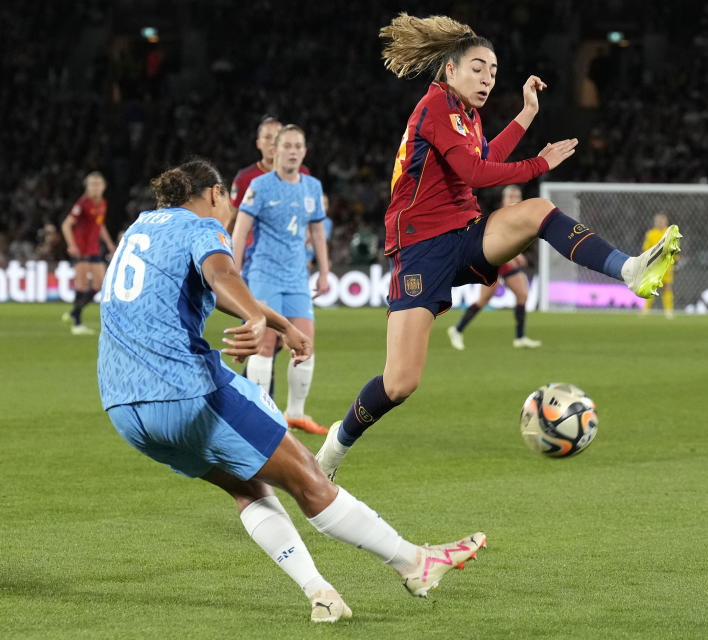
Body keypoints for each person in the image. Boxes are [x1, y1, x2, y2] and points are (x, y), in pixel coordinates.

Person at [97, 159, 485, 624]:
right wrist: (257, 319)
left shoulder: (139, 230)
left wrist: (277, 324)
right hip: (184, 391)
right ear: (216, 195)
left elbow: (207, 287)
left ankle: (321, 593)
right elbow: (222, 276)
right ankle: (413, 563)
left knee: (248, 486)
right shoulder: (201, 226)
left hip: (123, 407)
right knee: (308, 477)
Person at [314, 14, 681, 480]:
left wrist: (527, 114)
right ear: (450, 70)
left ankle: (628, 269)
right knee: (400, 382)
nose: (488, 78)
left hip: (464, 235)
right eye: (478, 68)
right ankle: (332, 451)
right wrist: (539, 163)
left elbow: (485, 159)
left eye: (493, 71)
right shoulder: (434, 108)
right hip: (421, 249)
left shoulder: (465, 116)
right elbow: (475, 174)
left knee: (535, 212)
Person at [232, 125, 330, 436]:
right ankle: (258, 413)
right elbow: (240, 231)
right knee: (265, 342)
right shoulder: (259, 186)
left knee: (304, 343)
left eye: (297, 146)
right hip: (263, 274)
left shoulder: (312, 186)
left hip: (297, 276)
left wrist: (325, 271)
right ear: (276, 149)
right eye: (286, 145)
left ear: (304, 151)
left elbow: (316, 231)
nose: (292, 151)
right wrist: (233, 271)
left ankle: (295, 414)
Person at [229, 116, 312, 400]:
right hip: (256, 265)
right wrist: (228, 262)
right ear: (260, 144)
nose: (274, 144)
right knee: (264, 340)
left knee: (274, 341)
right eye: (267, 138)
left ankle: (257, 399)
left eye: (278, 137)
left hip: (288, 268)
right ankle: (253, 401)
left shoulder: (302, 176)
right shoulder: (246, 179)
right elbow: (233, 222)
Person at [447, 185, 541, 349]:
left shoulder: (520, 217)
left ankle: (519, 337)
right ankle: (457, 329)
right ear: (503, 200)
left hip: (506, 262)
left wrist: (518, 254)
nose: (514, 200)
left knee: (522, 294)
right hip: (492, 261)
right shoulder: (498, 217)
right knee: (484, 299)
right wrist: (514, 256)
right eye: (510, 197)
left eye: (517, 196)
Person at [61, 171, 117, 335]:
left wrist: (108, 243)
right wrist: (71, 245)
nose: (95, 188)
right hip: (81, 250)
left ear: (104, 187)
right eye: (92, 184)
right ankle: (77, 323)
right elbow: (66, 225)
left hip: (94, 249)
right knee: (82, 284)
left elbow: (100, 225)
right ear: (87, 187)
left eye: (98, 184)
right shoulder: (83, 203)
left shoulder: (102, 203)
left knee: (101, 284)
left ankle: (74, 313)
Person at [640, 213, 676, 318]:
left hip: (666, 265)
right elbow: (646, 248)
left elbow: (675, 249)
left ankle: (669, 311)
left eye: (662, 221)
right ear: (655, 222)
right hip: (653, 265)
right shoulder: (650, 234)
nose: (659, 223)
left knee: (666, 287)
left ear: (666, 222)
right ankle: (646, 310)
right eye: (658, 221)